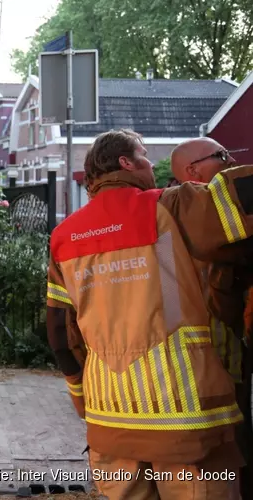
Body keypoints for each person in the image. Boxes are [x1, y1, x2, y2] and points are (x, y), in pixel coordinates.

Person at [47, 129, 253, 499]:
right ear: (126, 163)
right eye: (144, 155)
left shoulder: (65, 236)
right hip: (187, 423)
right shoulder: (171, 207)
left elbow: (63, 333)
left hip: (109, 419)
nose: (151, 166)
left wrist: (82, 399)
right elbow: (242, 200)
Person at [171, 137, 253, 500]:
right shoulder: (208, 216)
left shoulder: (169, 215)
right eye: (221, 156)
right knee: (232, 453)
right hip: (220, 361)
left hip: (196, 366)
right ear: (193, 171)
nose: (230, 160)